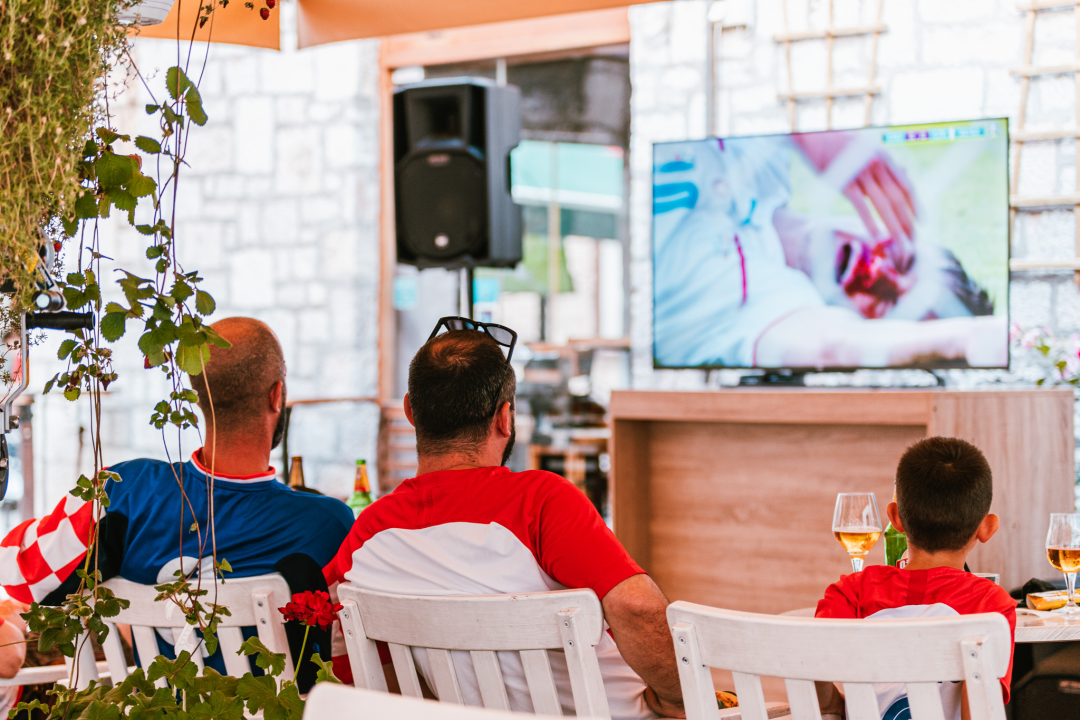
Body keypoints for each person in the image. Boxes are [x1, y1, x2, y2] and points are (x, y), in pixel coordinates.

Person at [323, 318, 684, 719]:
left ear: (411, 410)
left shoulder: (371, 533)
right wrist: (680, 700)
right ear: (505, 418)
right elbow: (636, 607)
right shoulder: (541, 502)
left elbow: (346, 655)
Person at [0, 317, 354, 684]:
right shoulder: (329, 525)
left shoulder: (125, 492)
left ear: (198, 397)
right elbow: (348, 663)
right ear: (276, 395)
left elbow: (18, 572)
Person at [652, 132, 1007, 369]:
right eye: (902, 260)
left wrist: (969, 338)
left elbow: (833, 343)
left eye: (889, 305)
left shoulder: (756, 312)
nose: (878, 274)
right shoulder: (771, 154)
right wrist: (808, 133)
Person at [813, 437, 1015, 720]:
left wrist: (835, 708)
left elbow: (812, 659)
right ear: (987, 527)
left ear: (895, 518)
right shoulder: (990, 604)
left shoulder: (851, 592)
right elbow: (981, 709)